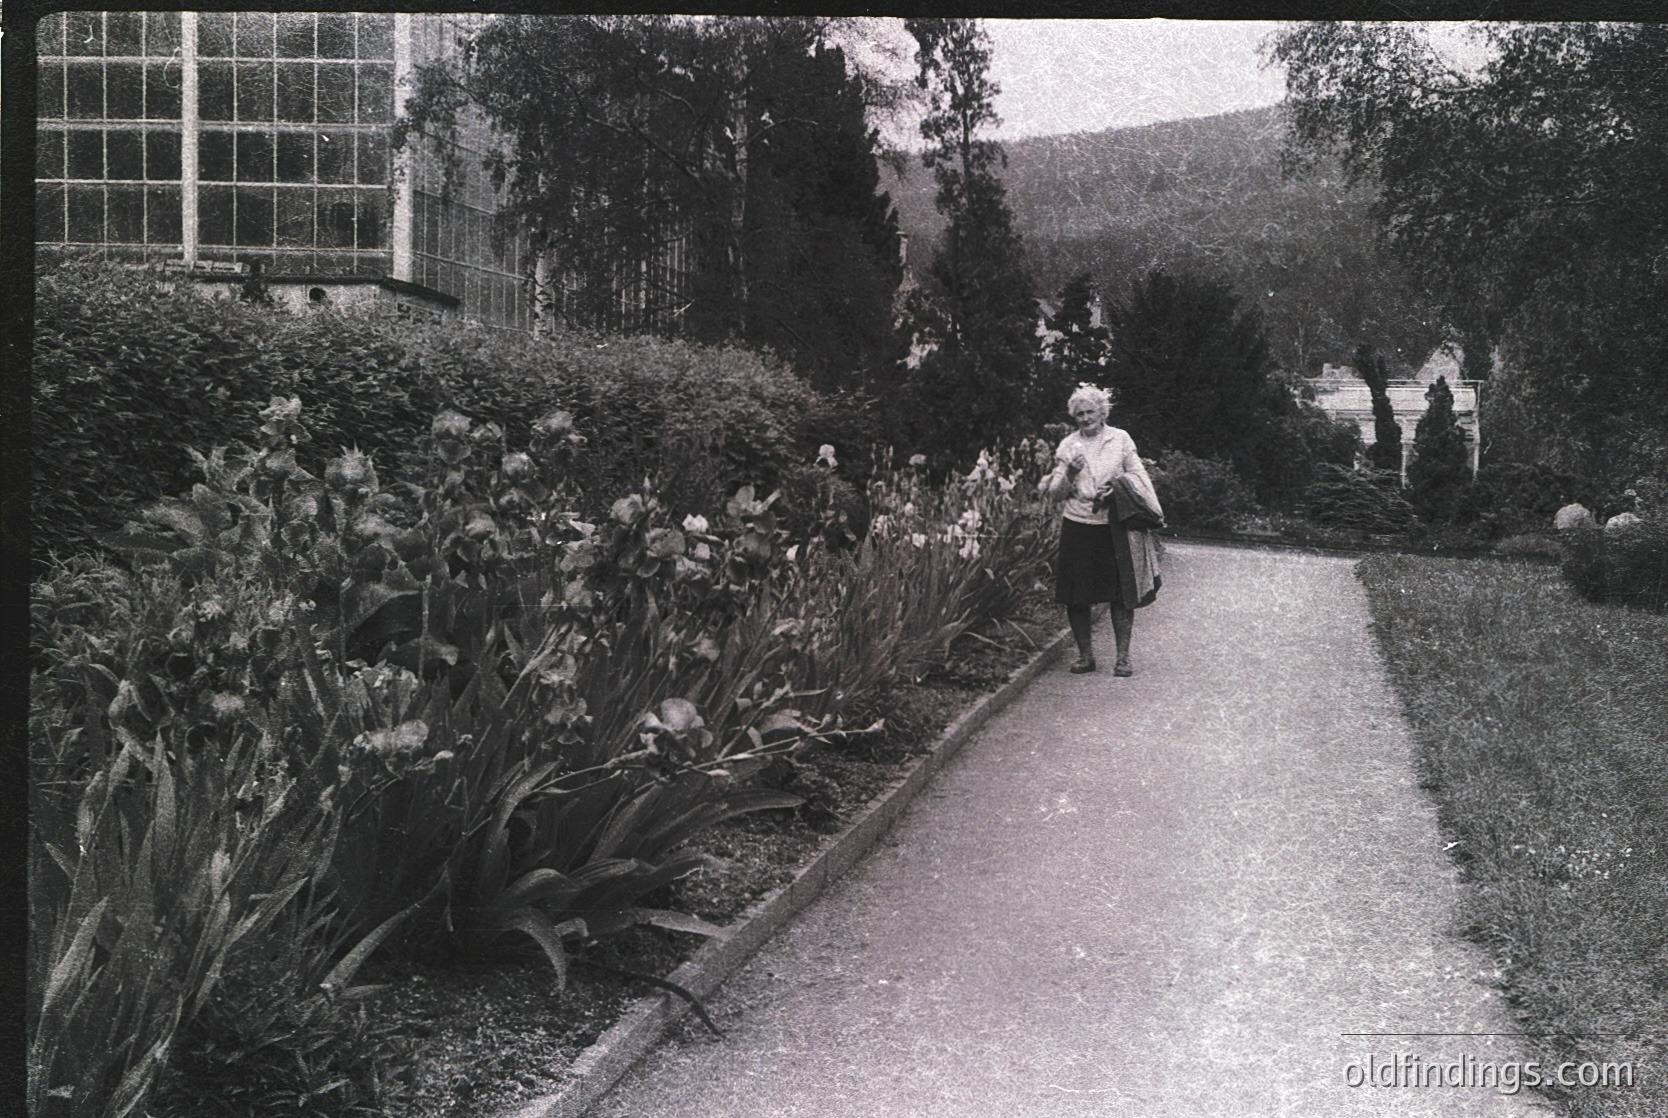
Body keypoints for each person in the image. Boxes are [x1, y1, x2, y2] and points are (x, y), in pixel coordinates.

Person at [1037, 384, 1164, 675]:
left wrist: (1117, 490)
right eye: (1078, 413)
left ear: (1102, 411)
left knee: (1120, 593)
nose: (1084, 418)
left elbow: (1138, 476)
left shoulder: (1120, 439)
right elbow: (1055, 494)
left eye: (1090, 411)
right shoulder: (1069, 445)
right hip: (1078, 525)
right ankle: (1085, 656)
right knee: (1076, 594)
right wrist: (1069, 471)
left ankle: (1123, 657)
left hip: (1113, 526)